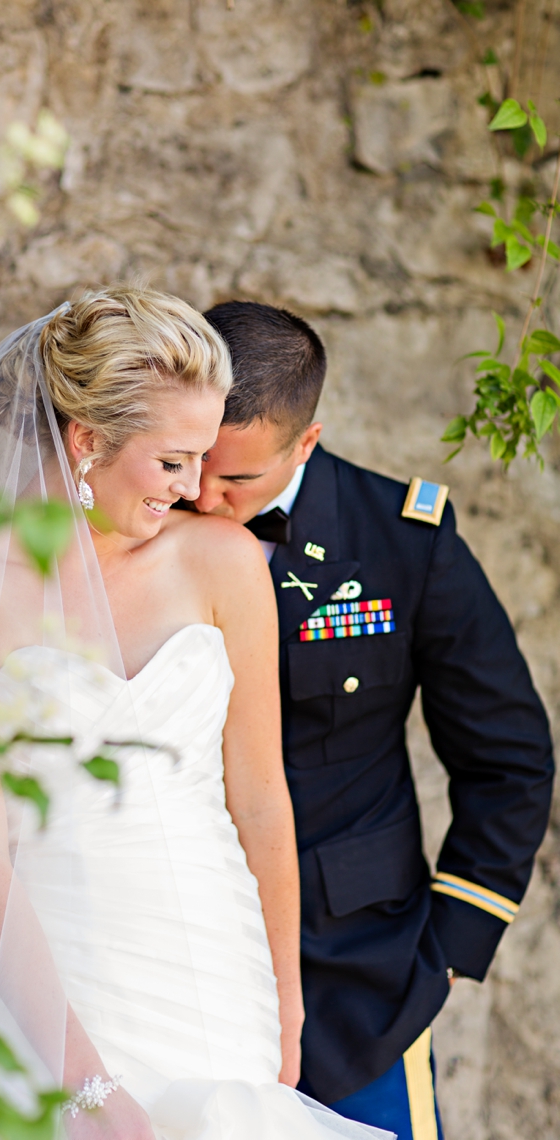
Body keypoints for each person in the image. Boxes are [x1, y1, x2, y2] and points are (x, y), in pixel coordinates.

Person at [0, 287, 389, 1140]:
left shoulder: (222, 563)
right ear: (86, 442)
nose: (196, 489)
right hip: (57, 979)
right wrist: (82, 1085)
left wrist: (288, 1006)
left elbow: (260, 798)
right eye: (172, 461)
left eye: (205, 459)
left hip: (221, 979)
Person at [192, 299, 555, 1140]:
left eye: (236, 480)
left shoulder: (404, 540)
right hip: (181, 941)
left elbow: (510, 758)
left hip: (357, 969)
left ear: (305, 443)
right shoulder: (144, 516)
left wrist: (455, 945)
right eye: (195, 462)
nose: (202, 497)